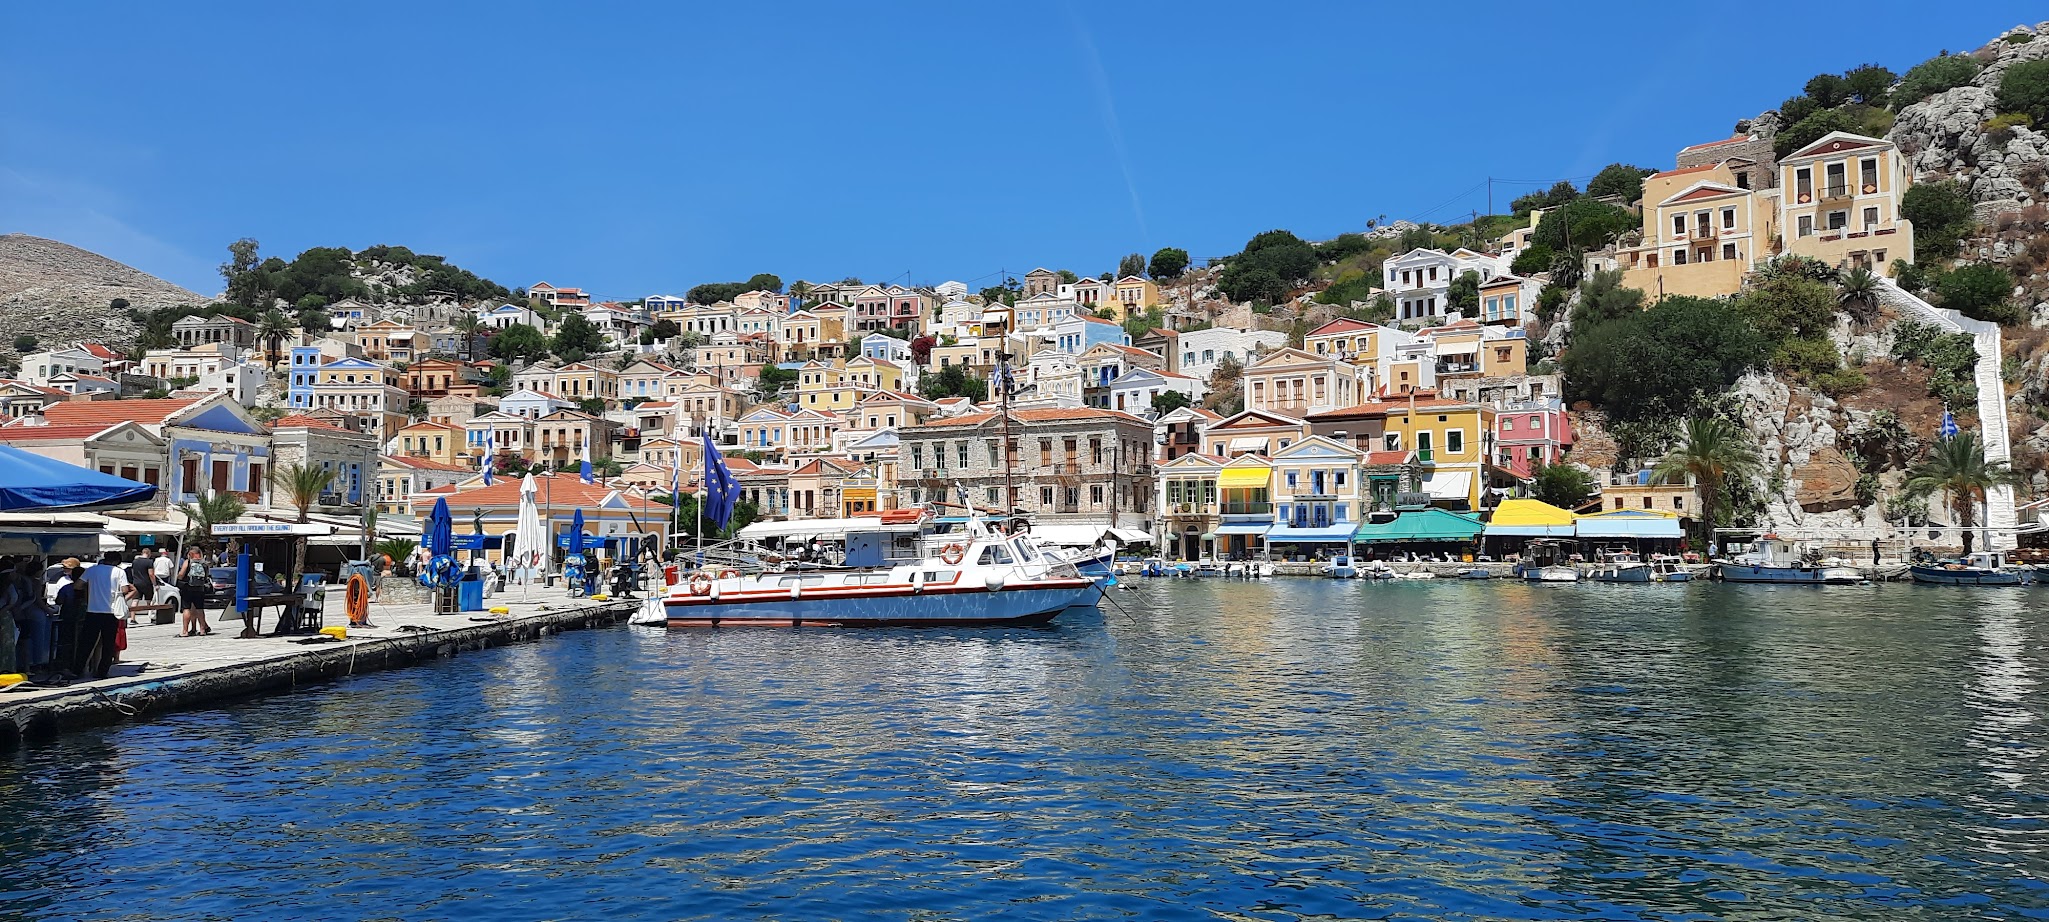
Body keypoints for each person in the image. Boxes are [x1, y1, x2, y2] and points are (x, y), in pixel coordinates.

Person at [76, 552, 133, 680]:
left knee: (86, 643)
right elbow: (125, 590)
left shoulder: (92, 570)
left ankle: (78, 669)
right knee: (108, 644)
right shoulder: (119, 572)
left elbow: (78, 585)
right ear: (116, 561)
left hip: (93, 611)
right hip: (110, 612)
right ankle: (102, 672)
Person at [174, 547, 214, 637]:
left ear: (189, 554)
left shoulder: (187, 562)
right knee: (200, 609)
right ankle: (202, 630)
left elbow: (181, 575)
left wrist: (178, 578)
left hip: (188, 588)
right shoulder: (204, 564)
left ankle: (185, 631)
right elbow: (206, 576)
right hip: (200, 589)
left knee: (186, 609)